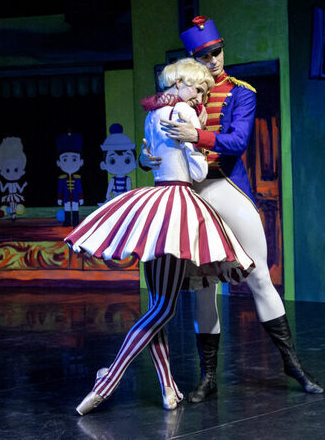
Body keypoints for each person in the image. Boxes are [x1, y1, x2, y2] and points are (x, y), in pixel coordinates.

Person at [142, 16, 323, 402]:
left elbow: (238, 140)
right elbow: (156, 141)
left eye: (217, 52)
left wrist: (197, 135)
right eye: (205, 56)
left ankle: (292, 363)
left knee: (258, 275)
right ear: (192, 60)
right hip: (188, 193)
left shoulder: (241, 92)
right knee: (203, 288)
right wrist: (147, 158)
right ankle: (208, 376)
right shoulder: (174, 99)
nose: (213, 60)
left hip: (225, 184)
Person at [66, 58, 254, 415]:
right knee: (164, 308)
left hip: (153, 202)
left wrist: (155, 154)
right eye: (197, 88)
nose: (200, 96)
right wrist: (197, 136)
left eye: (204, 92)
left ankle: (168, 388)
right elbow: (197, 171)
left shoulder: (154, 114)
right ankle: (108, 380)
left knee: (157, 305)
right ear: (179, 83)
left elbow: (149, 157)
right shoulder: (184, 112)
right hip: (177, 204)